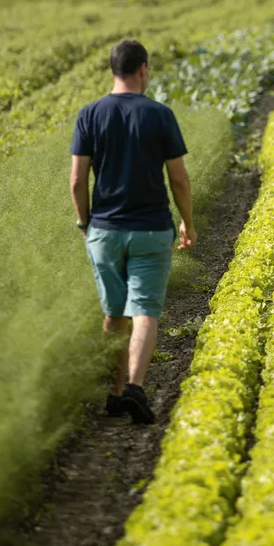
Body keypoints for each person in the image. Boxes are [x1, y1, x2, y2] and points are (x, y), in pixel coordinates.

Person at [70, 39, 197, 425]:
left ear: (113, 70)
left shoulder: (89, 115)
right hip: (151, 229)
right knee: (145, 310)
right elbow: (178, 179)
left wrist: (84, 221)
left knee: (113, 314)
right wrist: (188, 221)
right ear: (143, 69)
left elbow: (77, 180)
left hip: (105, 231)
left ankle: (115, 393)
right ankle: (137, 387)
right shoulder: (159, 115)